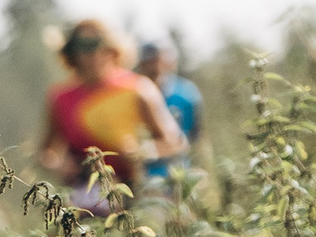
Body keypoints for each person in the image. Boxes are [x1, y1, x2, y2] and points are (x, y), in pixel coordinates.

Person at [38, 19, 186, 212]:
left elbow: (175, 141)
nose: (91, 55)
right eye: (82, 46)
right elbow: (45, 153)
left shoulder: (138, 89)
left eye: (97, 44)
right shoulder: (60, 98)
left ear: (112, 49)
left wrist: (142, 151)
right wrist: (59, 165)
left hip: (139, 192)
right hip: (84, 200)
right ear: (71, 52)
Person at [135, 39, 202, 187]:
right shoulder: (132, 94)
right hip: (142, 179)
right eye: (148, 62)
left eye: (157, 61)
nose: (154, 67)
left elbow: (196, 137)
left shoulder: (186, 94)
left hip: (178, 176)